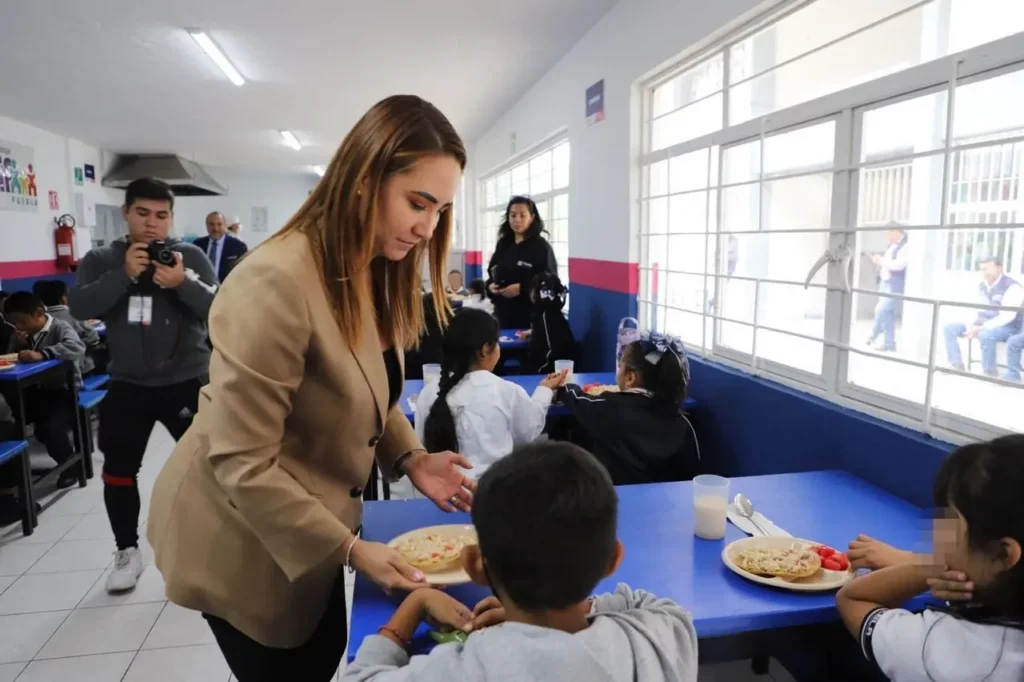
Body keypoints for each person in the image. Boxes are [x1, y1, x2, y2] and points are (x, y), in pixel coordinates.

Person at [145, 95, 476, 682]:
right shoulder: (276, 281)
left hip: (307, 516)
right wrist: (350, 550)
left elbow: (368, 386)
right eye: (417, 203)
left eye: (441, 210)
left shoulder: (368, 266)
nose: (428, 227)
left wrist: (412, 457)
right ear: (362, 181)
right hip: (240, 534)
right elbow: (241, 461)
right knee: (294, 662)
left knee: (324, 651)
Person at [344, 441, 699, 682]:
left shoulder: (468, 670)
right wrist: (574, 607)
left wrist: (415, 603)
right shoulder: (656, 643)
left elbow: (361, 677)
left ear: (475, 566)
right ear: (613, 560)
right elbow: (651, 605)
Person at [68, 177, 218, 593]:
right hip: (128, 383)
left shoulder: (189, 256)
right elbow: (79, 306)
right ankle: (126, 551)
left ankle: (210, 548)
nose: (153, 224)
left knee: (209, 468)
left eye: (162, 215)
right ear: (126, 213)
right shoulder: (101, 259)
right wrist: (122, 276)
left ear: (171, 217)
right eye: (143, 214)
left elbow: (222, 309)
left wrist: (181, 283)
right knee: (118, 470)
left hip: (188, 379)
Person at [836, 435, 1024, 681]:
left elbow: (852, 598)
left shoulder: (937, 648)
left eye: (950, 522)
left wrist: (928, 567)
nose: (936, 531)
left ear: (1003, 554)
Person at [417, 308, 566, 480]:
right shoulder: (506, 391)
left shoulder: (428, 392)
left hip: (440, 494)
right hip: (493, 493)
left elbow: (420, 442)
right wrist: (545, 390)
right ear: (485, 349)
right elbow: (529, 430)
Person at [560, 332, 699, 485]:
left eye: (620, 366)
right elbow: (691, 478)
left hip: (613, 502)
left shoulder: (609, 407)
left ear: (630, 378)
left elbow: (578, 400)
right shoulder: (683, 424)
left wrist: (564, 386)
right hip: (667, 504)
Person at [3, 291, 85, 489]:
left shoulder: (59, 327)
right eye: (13, 323)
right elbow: (9, 358)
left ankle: (70, 467)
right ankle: (14, 479)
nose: (18, 327)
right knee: (13, 428)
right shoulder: (24, 335)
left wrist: (43, 354)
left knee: (50, 429)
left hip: (63, 391)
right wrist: (15, 345)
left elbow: (76, 347)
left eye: (20, 322)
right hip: (34, 392)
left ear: (39, 313)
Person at [943, 255, 1023, 377]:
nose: (985, 273)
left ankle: (989, 372)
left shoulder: (1013, 287)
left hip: (1009, 327)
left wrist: (982, 327)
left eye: (988, 269)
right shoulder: (982, 286)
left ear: (999, 268)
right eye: (983, 269)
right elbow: (975, 308)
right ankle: (956, 364)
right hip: (983, 324)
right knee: (950, 328)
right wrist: (971, 324)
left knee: (986, 335)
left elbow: (1007, 316)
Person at [486, 196, 558, 329]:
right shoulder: (503, 244)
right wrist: (490, 286)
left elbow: (551, 284)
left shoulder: (541, 247)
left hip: (530, 320)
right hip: (502, 316)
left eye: (522, 215)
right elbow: (491, 273)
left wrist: (522, 289)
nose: (516, 219)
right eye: (513, 215)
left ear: (532, 217)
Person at [34, 279, 100, 375]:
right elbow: (94, 339)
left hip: (46, 370)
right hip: (79, 369)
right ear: (63, 299)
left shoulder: (38, 319)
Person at [866, 224, 908, 352]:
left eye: (889, 233)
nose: (887, 236)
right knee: (886, 313)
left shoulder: (905, 246)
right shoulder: (891, 246)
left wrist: (881, 260)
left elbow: (899, 265)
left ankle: (874, 334)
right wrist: (878, 261)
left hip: (895, 284)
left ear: (897, 232)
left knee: (880, 309)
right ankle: (889, 343)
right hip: (885, 282)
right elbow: (887, 263)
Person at [523, 271, 575, 374]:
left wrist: (536, 371)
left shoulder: (546, 317)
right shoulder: (553, 314)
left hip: (548, 373)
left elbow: (551, 352)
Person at [194, 211, 248, 281]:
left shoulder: (239, 246)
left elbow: (243, 273)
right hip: (203, 289)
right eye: (211, 224)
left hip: (227, 289)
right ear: (206, 225)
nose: (215, 228)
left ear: (225, 226)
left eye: (219, 224)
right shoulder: (197, 245)